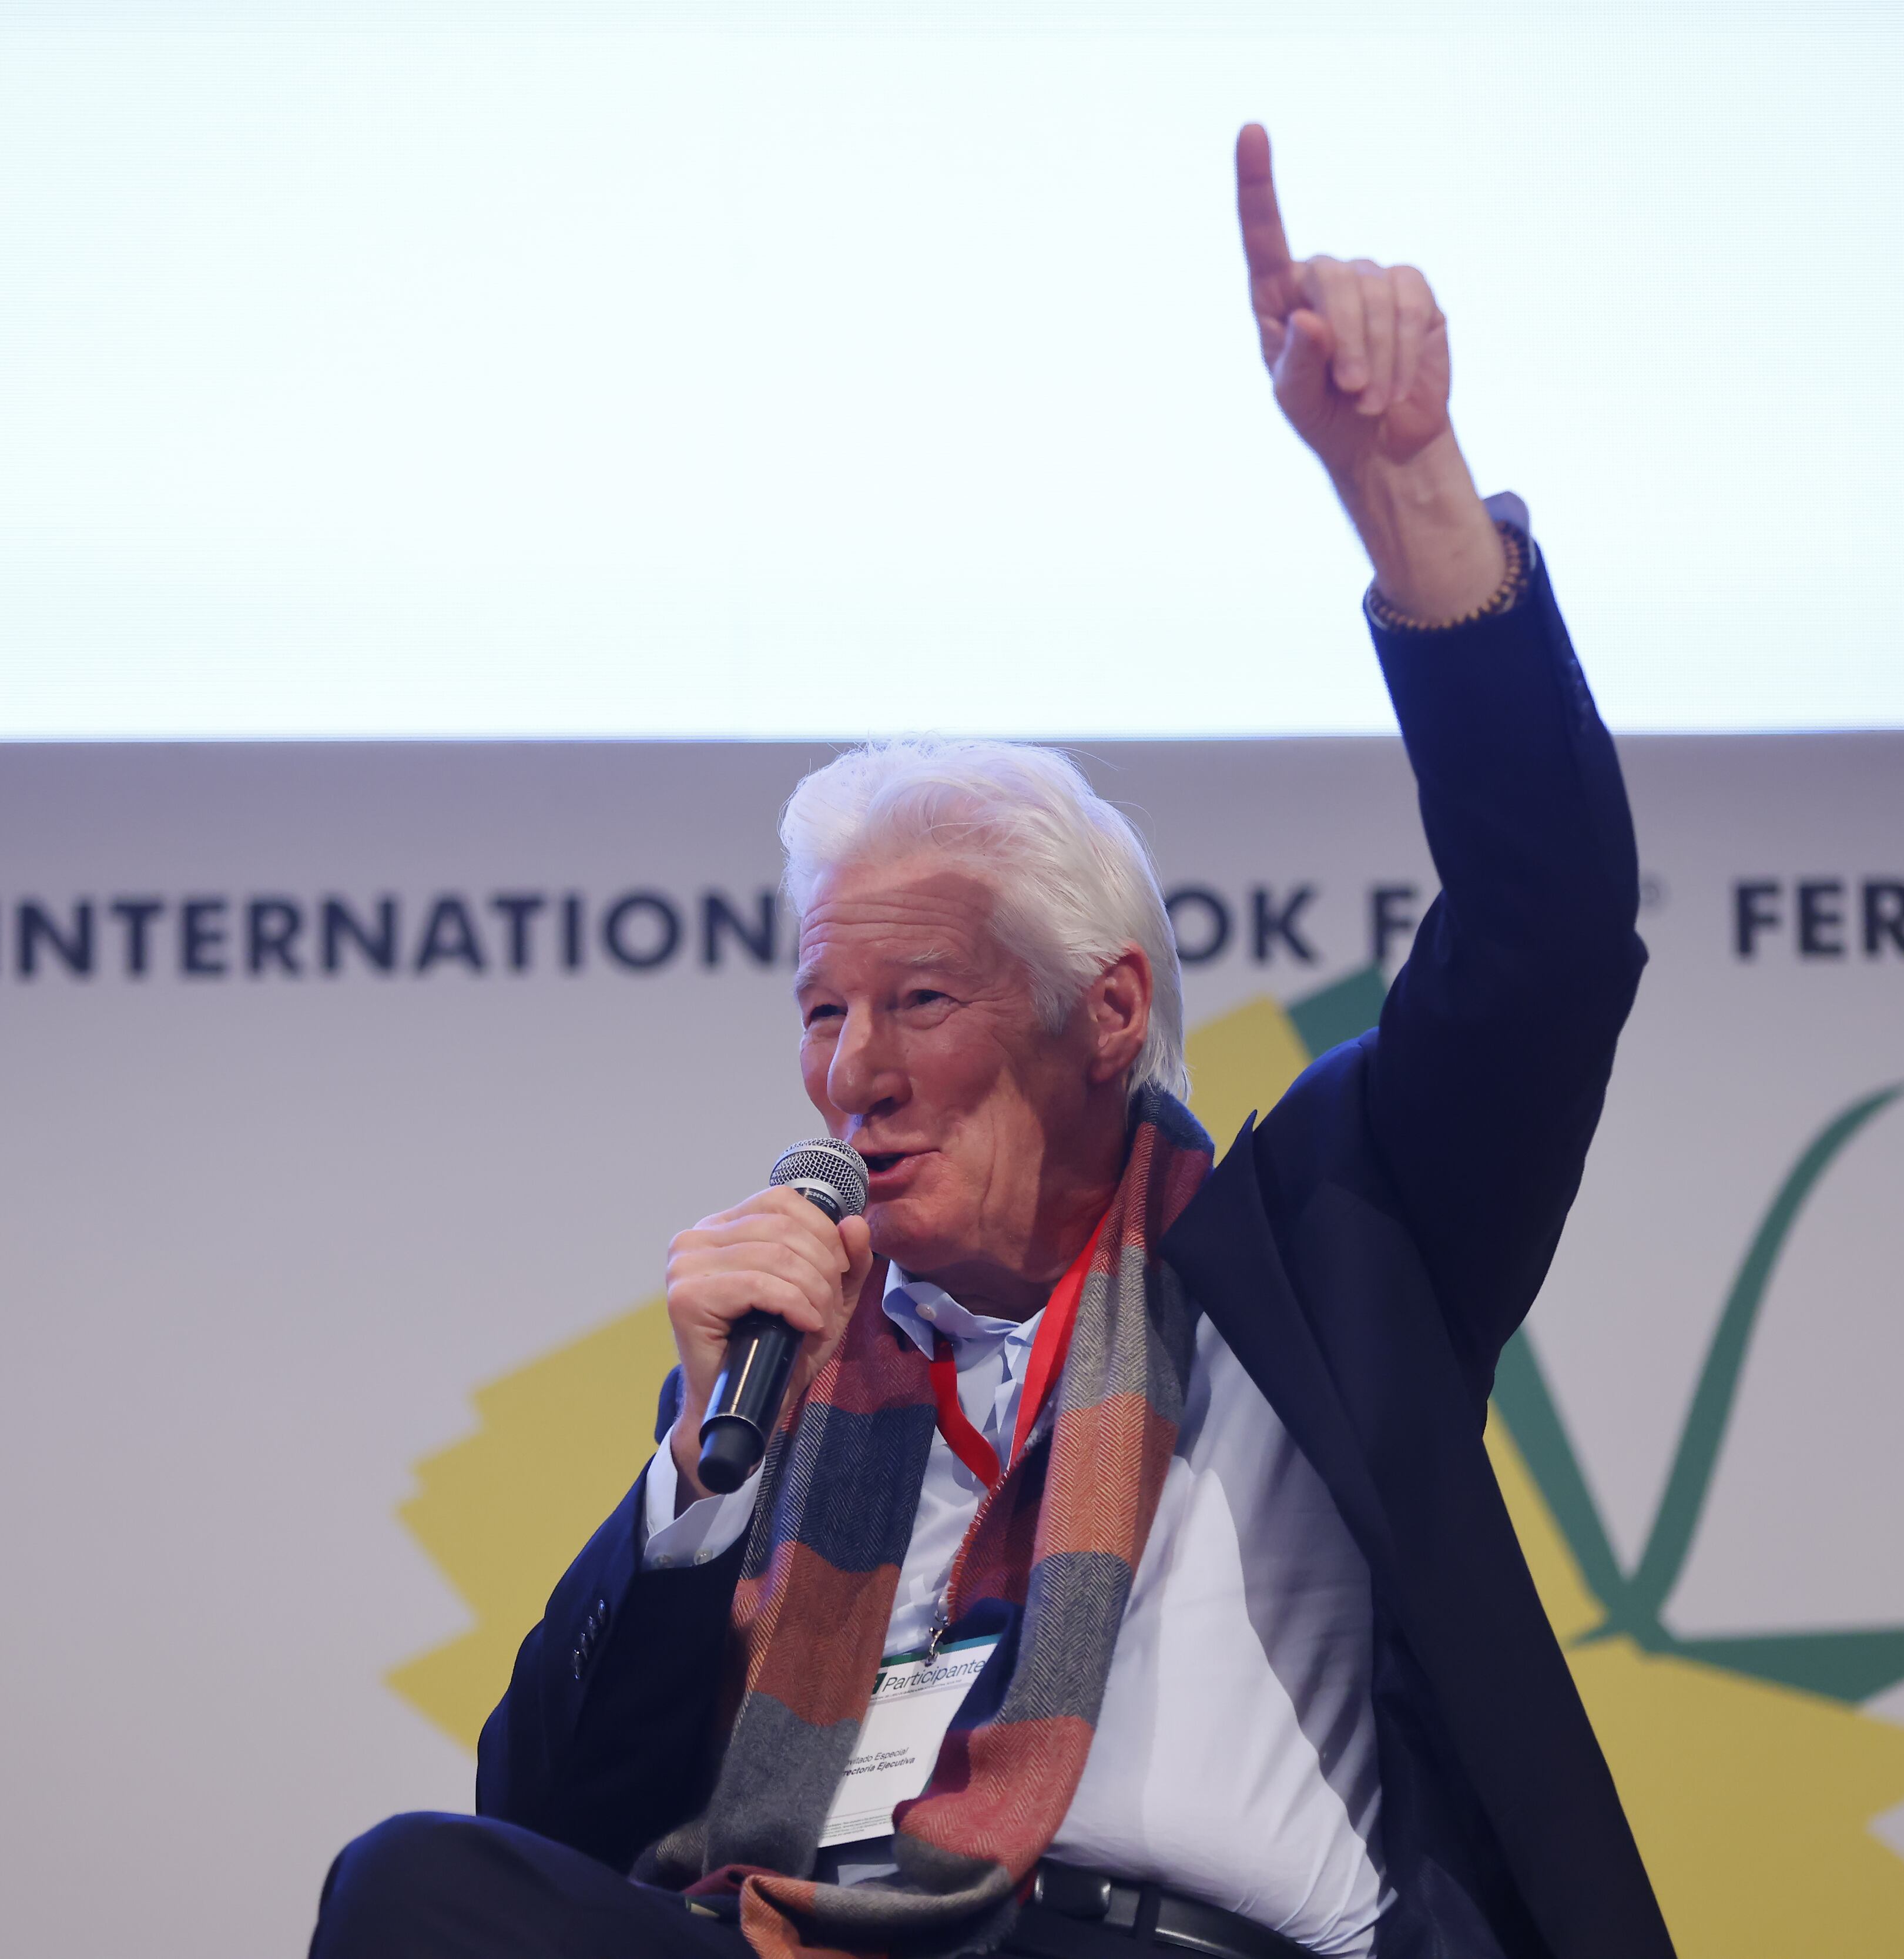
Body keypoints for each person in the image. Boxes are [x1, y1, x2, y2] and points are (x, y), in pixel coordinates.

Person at [310, 125, 1671, 1959]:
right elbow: (548, 1823)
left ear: (1106, 1013)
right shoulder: (779, 1386)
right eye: (821, 1010)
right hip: (810, 1932)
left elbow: (1551, 932)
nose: (850, 1069)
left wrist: (1411, 493)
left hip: (1164, 1941)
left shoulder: (1337, 1244)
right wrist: (695, 1503)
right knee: (415, 1888)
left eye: (920, 1001)